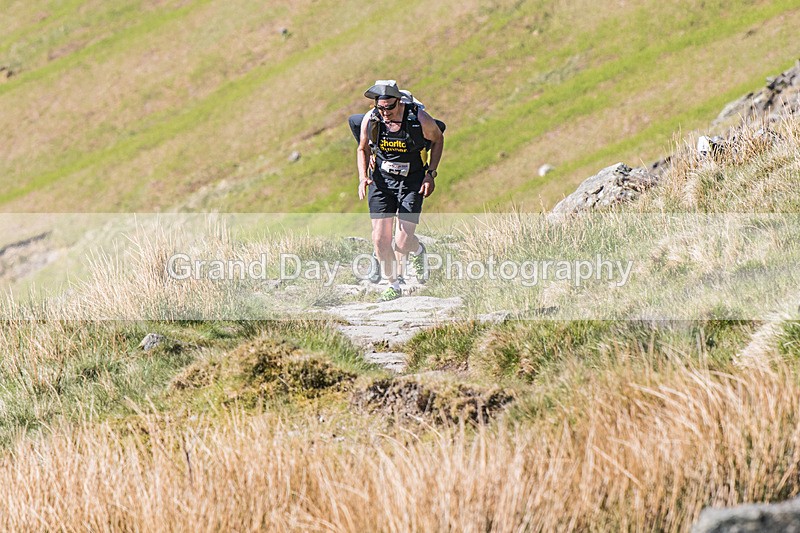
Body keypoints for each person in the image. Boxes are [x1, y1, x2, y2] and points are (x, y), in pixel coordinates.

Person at [355, 80, 444, 302]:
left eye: (390, 108)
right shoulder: (371, 119)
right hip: (382, 182)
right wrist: (363, 177)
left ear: (399, 102)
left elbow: (438, 139)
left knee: (402, 242)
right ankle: (393, 284)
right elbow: (362, 148)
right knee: (380, 240)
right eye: (381, 108)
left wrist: (430, 174)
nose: (385, 113)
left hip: (412, 181)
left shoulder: (418, 119)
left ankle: (418, 251)